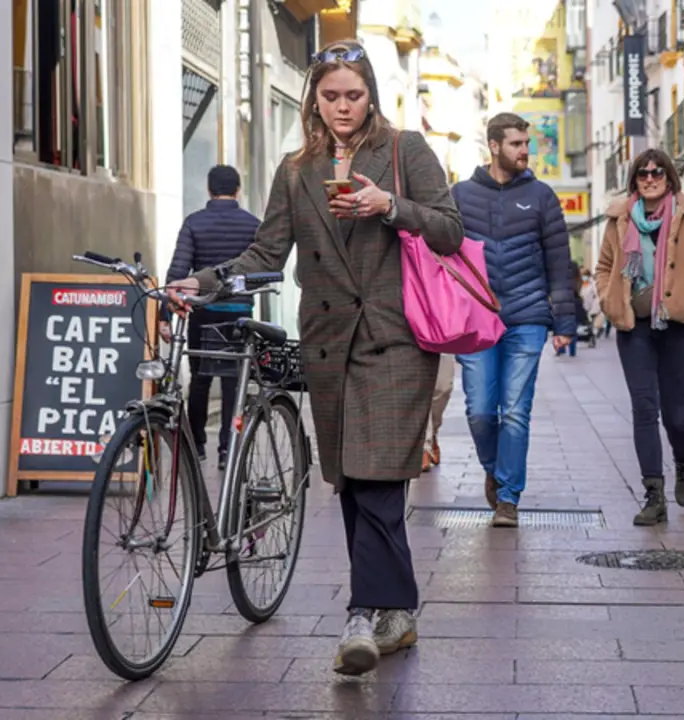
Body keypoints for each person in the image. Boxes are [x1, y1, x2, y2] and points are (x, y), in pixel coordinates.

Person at [167, 40, 464, 674]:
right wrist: (206, 281)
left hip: (396, 339)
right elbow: (265, 254)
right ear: (314, 99)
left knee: (381, 476)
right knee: (353, 482)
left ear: (371, 94)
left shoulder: (405, 151)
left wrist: (391, 207)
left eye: (353, 95)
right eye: (329, 96)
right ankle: (400, 611)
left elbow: (450, 228)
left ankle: (362, 613)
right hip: (328, 342)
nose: (342, 108)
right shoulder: (297, 168)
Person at [451, 113, 576, 528]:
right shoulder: (460, 195)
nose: (525, 151)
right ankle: (494, 467)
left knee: (516, 411)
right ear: (493, 146)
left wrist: (564, 324)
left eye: (526, 143)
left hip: (527, 318)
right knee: (480, 411)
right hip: (476, 318)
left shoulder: (542, 196)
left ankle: (508, 497)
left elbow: (560, 261)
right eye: (516, 144)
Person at [595, 149, 684, 526]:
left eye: (656, 172)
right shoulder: (620, 218)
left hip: (677, 327)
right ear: (634, 180)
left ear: (669, 177)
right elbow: (605, 267)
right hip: (633, 326)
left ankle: (683, 462)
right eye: (642, 173)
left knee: (676, 418)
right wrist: (609, 299)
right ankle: (653, 493)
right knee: (643, 408)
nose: (650, 178)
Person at [160, 166, 261, 471]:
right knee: (233, 381)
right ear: (238, 189)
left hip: (202, 312)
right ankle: (227, 449)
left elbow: (177, 272)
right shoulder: (252, 225)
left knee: (200, 379)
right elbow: (256, 271)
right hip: (239, 313)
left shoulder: (194, 223)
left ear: (208, 189)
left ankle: (197, 446)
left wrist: (165, 315)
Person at [422, 354, 454, 471]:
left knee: (443, 387)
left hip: (442, 340)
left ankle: (433, 431)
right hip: (409, 338)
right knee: (418, 388)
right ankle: (424, 446)